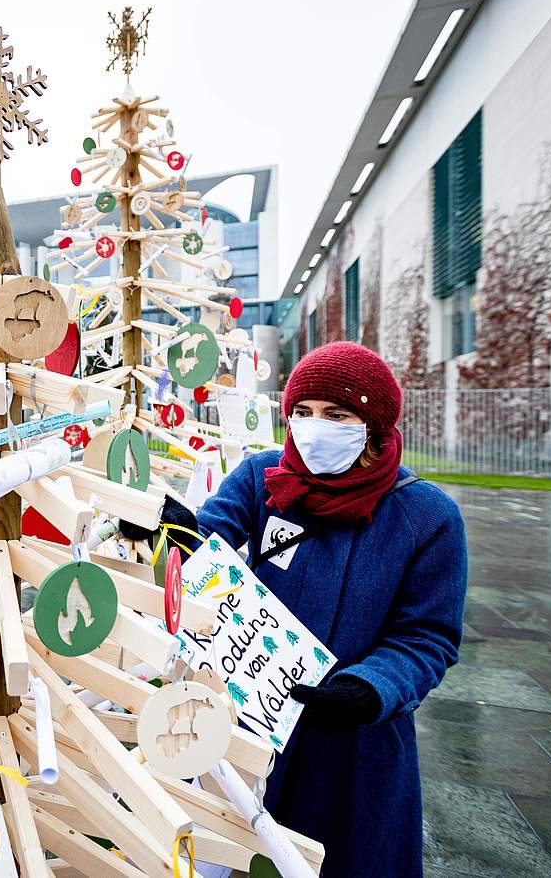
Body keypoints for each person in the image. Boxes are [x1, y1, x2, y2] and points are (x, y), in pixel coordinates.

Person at [169, 342, 467, 876]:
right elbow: (206, 536)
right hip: (250, 721)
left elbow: (428, 637)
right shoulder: (264, 476)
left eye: (336, 414)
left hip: (353, 746)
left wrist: (372, 687)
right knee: (239, 853)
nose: (313, 427)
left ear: (371, 426)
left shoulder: (428, 517)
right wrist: (168, 533)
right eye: (302, 412)